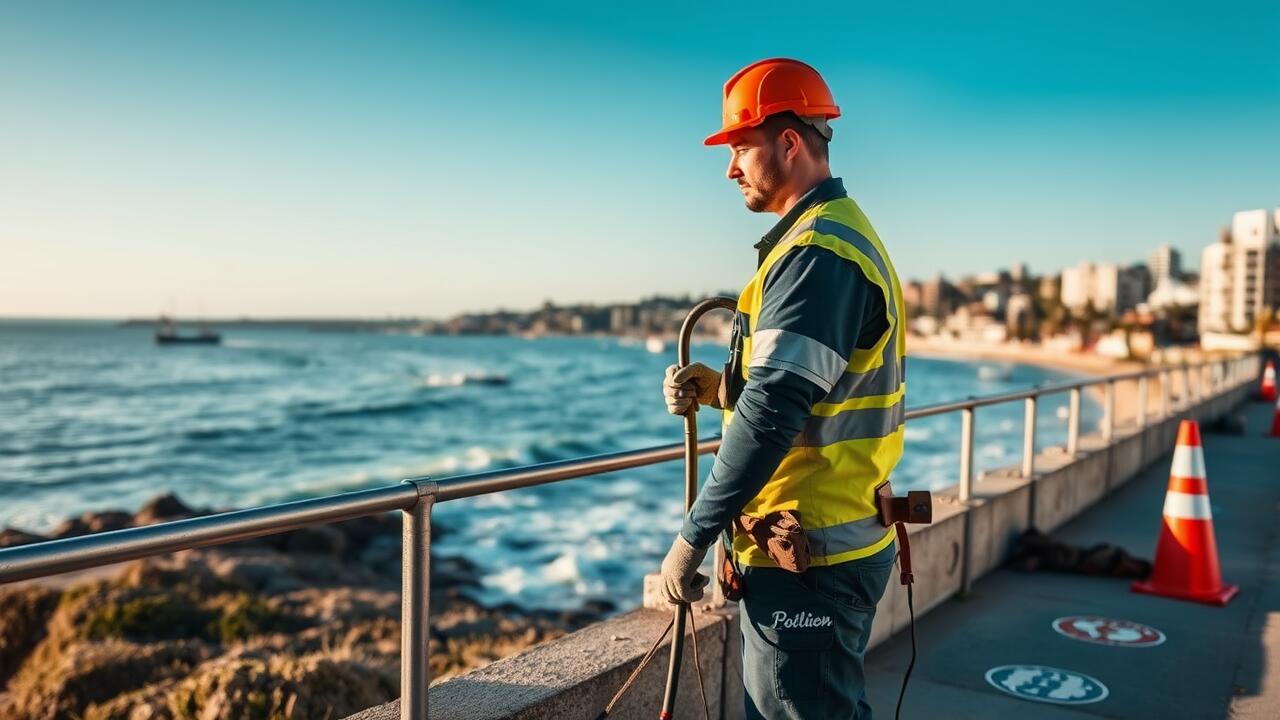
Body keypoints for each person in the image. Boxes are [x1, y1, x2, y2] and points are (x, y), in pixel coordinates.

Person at [659, 58, 907, 719]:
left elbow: (772, 415)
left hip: (813, 554)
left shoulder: (818, 252)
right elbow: (800, 392)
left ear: (789, 142)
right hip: (818, 543)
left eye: (739, 146)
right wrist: (720, 389)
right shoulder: (823, 239)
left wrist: (692, 537)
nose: (730, 168)